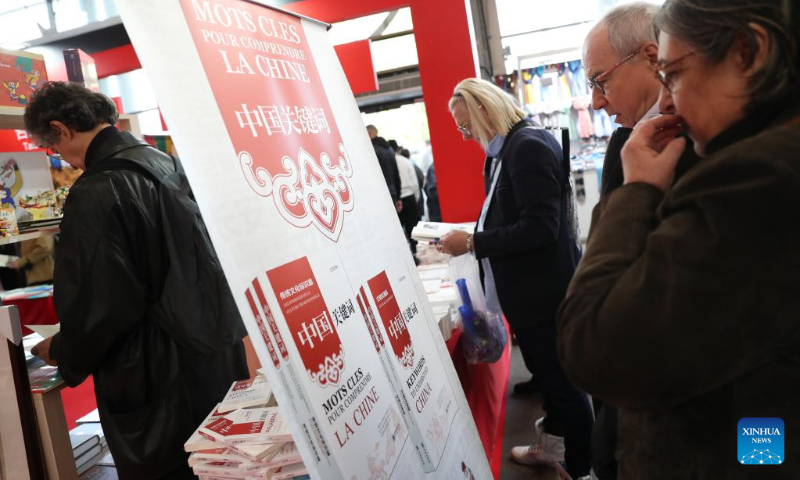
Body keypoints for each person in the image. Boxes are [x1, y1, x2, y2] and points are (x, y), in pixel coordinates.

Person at [558, 1, 800, 478]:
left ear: (747, 51)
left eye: (674, 75)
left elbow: (594, 344)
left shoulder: (757, 178)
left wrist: (636, 192)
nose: (667, 102)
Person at [26, 81, 249, 479]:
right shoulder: (164, 163)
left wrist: (63, 347)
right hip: (211, 353)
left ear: (61, 129)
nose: (62, 159)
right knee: (220, 465)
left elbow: (101, 303)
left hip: (156, 374)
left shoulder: (96, 189)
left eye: (53, 148)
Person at [440, 78, 593, 480]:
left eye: (465, 124)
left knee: (564, 385)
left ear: (485, 111)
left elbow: (541, 227)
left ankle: (581, 469)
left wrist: (474, 241)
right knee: (550, 379)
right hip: (530, 290)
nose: (465, 133)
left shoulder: (525, 148)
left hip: (545, 291)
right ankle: (554, 449)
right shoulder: (506, 150)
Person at [581, 3, 701, 478]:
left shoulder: (746, 169)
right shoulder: (633, 144)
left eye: (600, 81)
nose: (595, 102)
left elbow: (591, 331)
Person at [392, 144, 422, 256]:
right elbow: (414, 181)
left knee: (398, 230)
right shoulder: (405, 161)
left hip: (395, 199)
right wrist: (417, 197)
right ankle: (416, 252)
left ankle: (405, 255)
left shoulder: (385, 161)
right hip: (409, 196)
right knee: (413, 227)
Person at [366, 124, 402, 212]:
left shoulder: (371, 149)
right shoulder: (389, 149)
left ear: (370, 134)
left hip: (379, 196)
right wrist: (398, 197)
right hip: (392, 193)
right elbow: (396, 174)